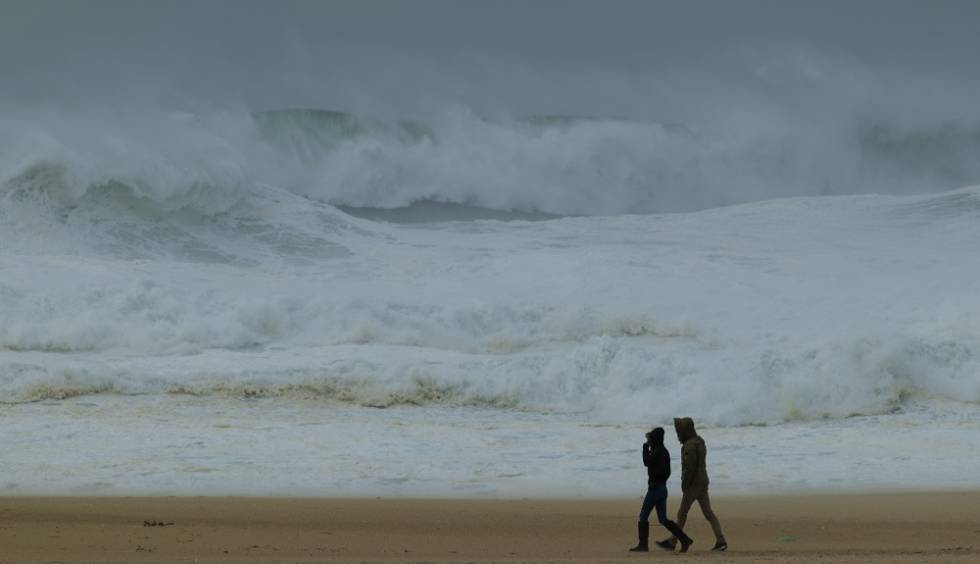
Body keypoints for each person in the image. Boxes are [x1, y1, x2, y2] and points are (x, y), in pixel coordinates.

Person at [656, 417, 728, 552]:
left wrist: (685, 484)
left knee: (682, 513)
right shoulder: (700, 441)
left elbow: (690, 468)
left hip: (694, 484)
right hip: (703, 481)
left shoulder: (689, 445)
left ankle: (673, 540)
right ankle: (721, 540)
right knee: (708, 513)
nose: (679, 434)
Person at [629, 427, 693, 552]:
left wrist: (644, 448)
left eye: (651, 438)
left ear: (655, 439)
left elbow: (646, 462)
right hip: (662, 488)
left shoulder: (658, 452)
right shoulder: (664, 451)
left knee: (643, 516)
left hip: (655, 489)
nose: (649, 441)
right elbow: (665, 470)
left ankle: (643, 545)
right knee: (662, 519)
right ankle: (685, 539)